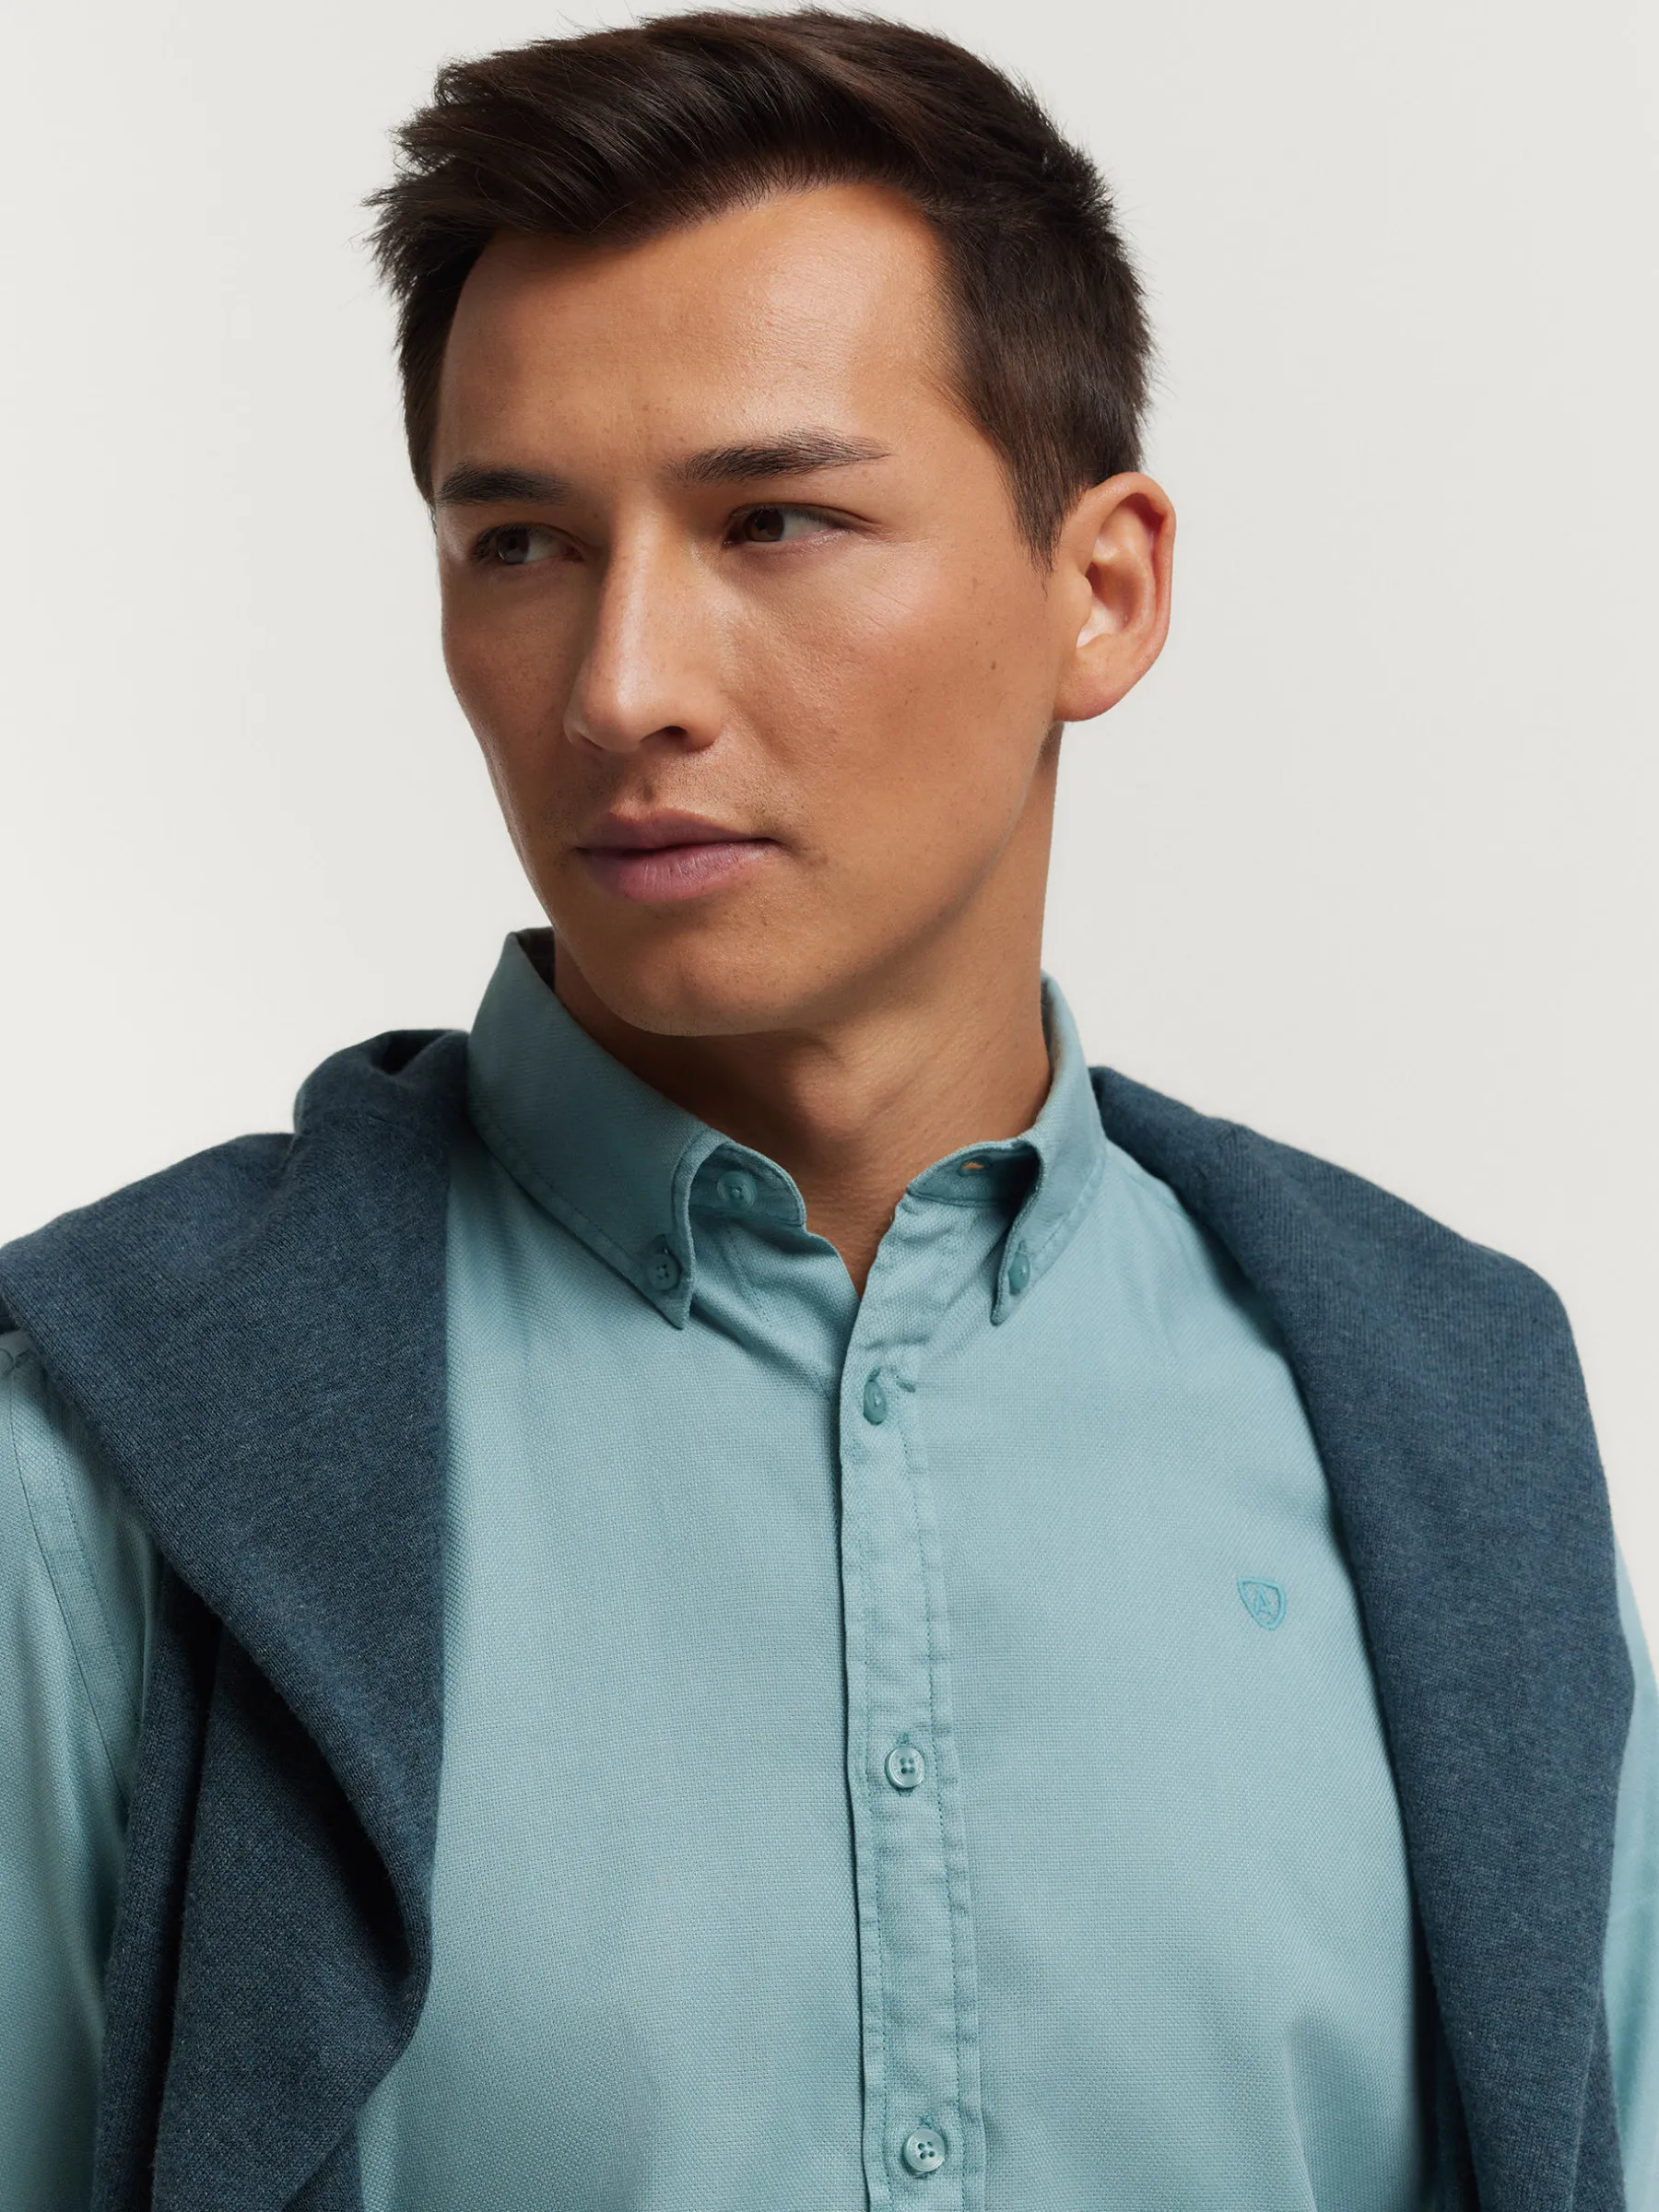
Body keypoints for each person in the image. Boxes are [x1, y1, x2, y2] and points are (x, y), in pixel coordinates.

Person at [1, 12, 1653, 2210]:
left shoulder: (1450, 1417)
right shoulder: (115, 1453)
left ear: (1103, 591)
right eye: (521, 545)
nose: (622, 688)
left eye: (771, 519)